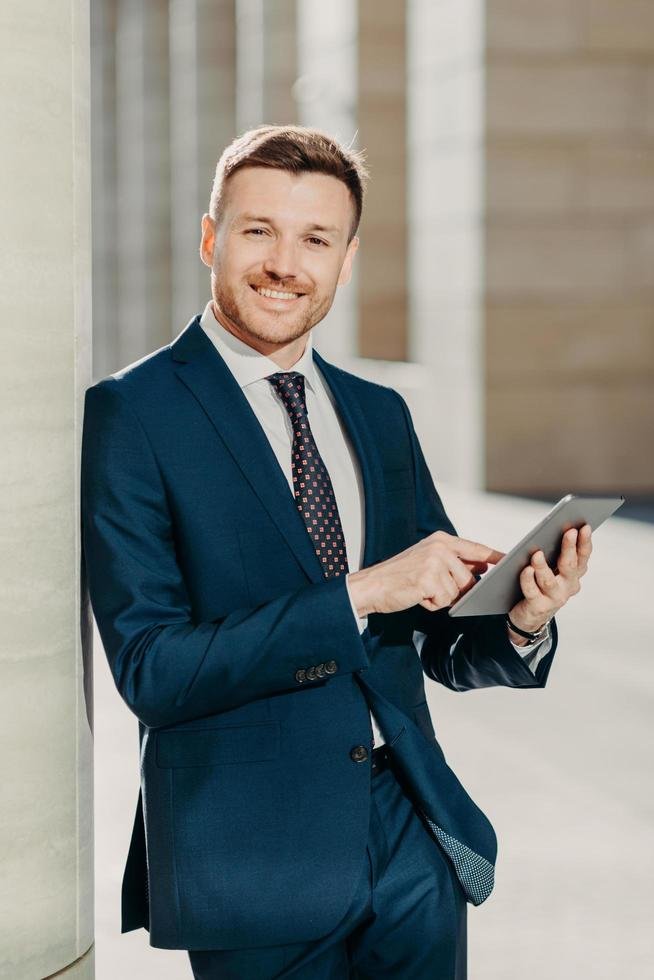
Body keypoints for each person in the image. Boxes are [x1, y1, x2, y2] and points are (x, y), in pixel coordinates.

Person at [81, 125, 592, 979]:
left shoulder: (377, 413)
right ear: (211, 237)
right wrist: (357, 594)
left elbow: (435, 639)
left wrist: (522, 620)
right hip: (251, 861)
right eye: (258, 231)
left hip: (410, 841)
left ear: (346, 259)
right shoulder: (133, 413)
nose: (286, 262)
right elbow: (152, 671)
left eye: (315, 239)